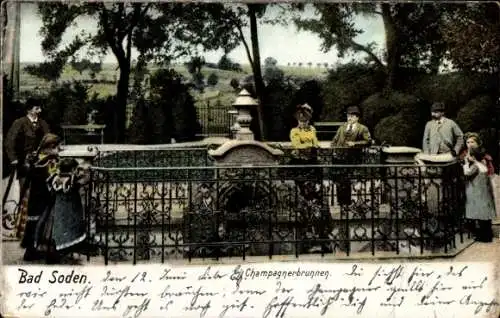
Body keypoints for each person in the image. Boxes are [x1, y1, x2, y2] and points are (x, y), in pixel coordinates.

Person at [34, 158, 89, 264]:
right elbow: (84, 181)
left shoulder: (55, 178)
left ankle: (54, 254)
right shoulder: (71, 179)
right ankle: (63, 252)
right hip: (68, 210)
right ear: (73, 169)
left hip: (55, 208)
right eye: (75, 169)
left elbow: (51, 190)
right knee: (66, 230)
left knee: (52, 230)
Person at [18, 133, 61, 261]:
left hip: (34, 196)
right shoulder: (49, 160)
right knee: (45, 224)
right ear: (50, 147)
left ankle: (30, 251)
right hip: (43, 196)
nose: (59, 150)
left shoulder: (37, 158)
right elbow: (50, 178)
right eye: (58, 147)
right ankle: (48, 253)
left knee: (34, 223)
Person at [5, 98, 50, 198]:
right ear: (29, 110)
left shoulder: (43, 123)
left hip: (40, 161)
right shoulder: (19, 123)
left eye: (40, 108)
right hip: (24, 161)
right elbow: (9, 141)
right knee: (25, 189)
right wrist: (13, 158)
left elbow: (49, 139)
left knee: (41, 189)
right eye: (37, 109)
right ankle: (23, 211)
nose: (40, 111)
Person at [331, 106, 371, 205]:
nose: (349, 118)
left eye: (352, 116)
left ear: (357, 118)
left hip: (353, 158)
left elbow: (368, 141)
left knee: (351, 180)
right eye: (348, 116)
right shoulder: (342, 127)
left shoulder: (362, 128)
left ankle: (353, 203)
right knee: (340, 180)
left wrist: (355, 143)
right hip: (339, 158)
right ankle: (342, 202)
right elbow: (335, 140)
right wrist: (334, 150)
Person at [463, 147, 496, 242]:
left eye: (468, 154)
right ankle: (486, 235)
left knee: (480, 215)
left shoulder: (475, 165)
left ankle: (483, 237)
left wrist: (465, 164)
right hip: (483, 192)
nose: (467, 156)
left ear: (473, 157)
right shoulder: (482, 162)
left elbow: (467, 172)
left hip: (477, 192)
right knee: (484, 216)